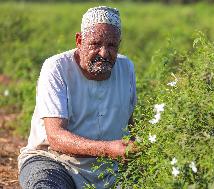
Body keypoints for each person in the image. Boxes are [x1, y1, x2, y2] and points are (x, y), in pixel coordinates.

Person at [18, 6, 137, 189]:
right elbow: (56, 137)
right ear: (79, 41)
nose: (104, 53)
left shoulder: (126, 67)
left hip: (110, 170)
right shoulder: (56, 68)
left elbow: (131, 123)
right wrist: (109, 149)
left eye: (112, 45)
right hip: (57, 162)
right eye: (96, 44)